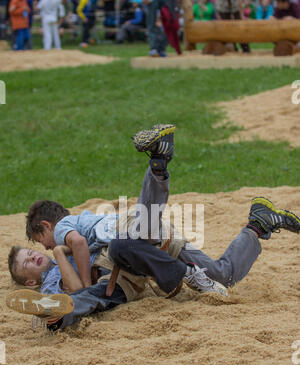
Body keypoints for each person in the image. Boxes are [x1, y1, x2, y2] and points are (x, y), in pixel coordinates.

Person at [6, 125, 300, 333]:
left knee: (127, 241)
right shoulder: (55, 268)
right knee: (223, 275)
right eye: (28, 263)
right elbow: (77, 286)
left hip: (142, 243)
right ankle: (259, 224)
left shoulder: (67, 231)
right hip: (137, 261)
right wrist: (59, 260)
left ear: (47, 226)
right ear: (29, 282)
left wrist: (61, 250)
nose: (39, 251)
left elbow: (81, 246)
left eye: (35, 246)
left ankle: (158, 162)